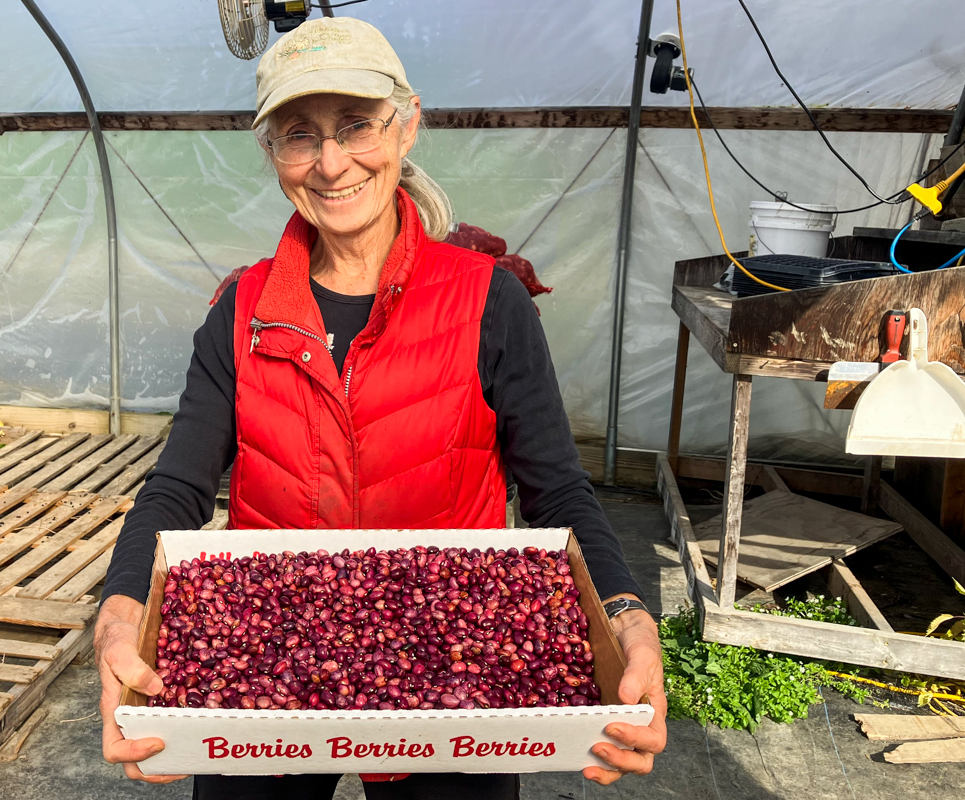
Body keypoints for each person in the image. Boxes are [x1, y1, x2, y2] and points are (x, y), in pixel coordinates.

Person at [95, 17, 666, 799]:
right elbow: (176, 488)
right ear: (273, 155)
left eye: (356, 125)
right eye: (300, 135)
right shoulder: (243, 312)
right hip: (272, 650)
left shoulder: (486, 300)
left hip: (454, 657)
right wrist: (122, 608)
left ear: (407, 126)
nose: (332, 163)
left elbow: (558, 491)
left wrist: (626, 614)